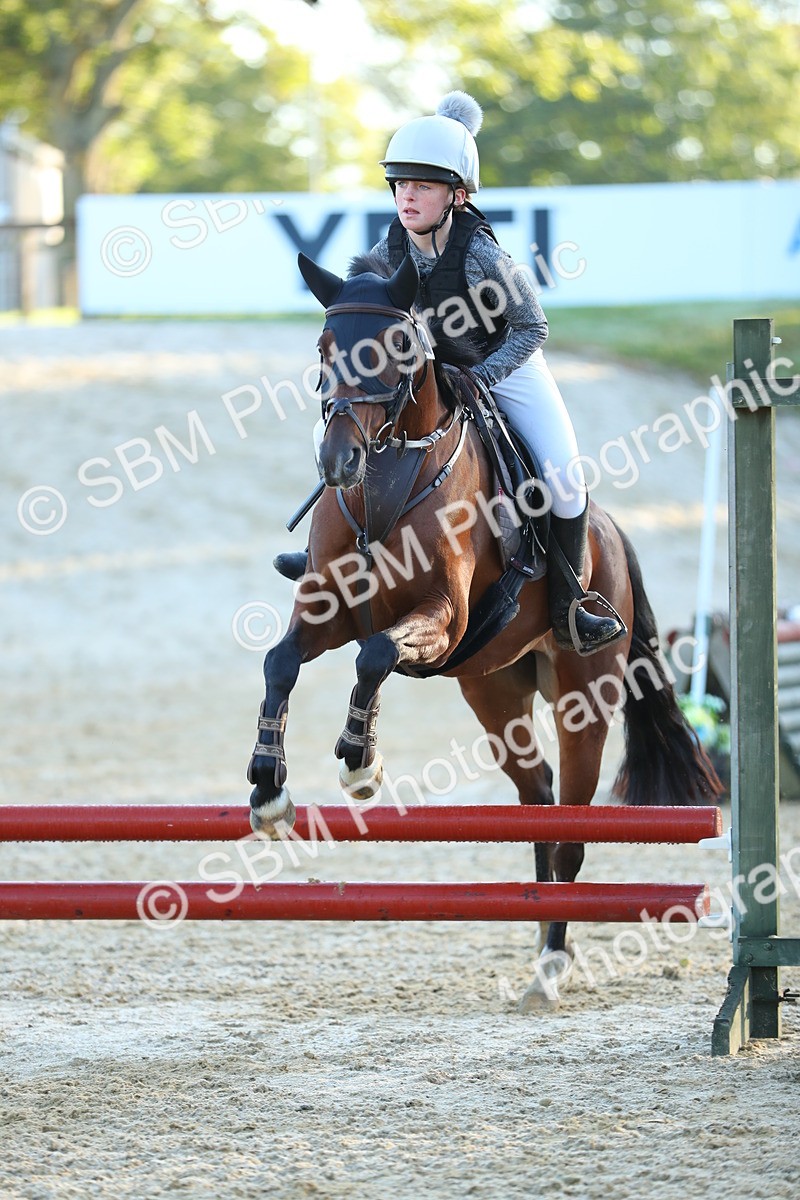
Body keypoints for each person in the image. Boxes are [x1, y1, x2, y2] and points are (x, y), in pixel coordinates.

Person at [275, 91, 624, 655]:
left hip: (504, 365)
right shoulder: (388, 247)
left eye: (424, 186)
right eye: (400, 185)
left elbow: (532, 328)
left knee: (564, 475)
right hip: (430, 374)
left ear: (457, 196)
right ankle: (325, 556)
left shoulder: (483, 255)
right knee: (330, 431)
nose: (407, 197)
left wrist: (483, 376)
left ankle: (574, 600)